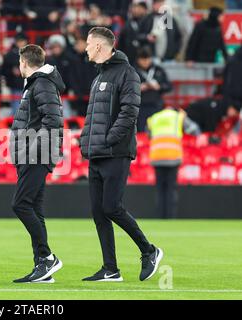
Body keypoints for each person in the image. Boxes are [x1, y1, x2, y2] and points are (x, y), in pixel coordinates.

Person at [80, 27, 163, 282]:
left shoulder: (127, 74)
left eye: (87, 43)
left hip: (116, 152)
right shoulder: (98, 77)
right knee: (98, 211)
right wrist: (87, 143)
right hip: (96, 154)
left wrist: (108, 140)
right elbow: (92, 117)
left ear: (98, 46)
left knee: (111, 207)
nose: (84, 48)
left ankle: (149, 251)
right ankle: (110, 269)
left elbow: (130, 112)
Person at [10, 44, 64, 283]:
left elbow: (53, 120)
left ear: (24, 62)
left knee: (20, 205)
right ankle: (42, 267)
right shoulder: (38, 84)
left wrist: (33, 151)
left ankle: (47, 257)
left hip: (37, 154)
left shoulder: (41, 83)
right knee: (34, 208)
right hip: (32, 153)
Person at [147, 106, 201, 219]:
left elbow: (148, 134)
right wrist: (185, 116)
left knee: (160, 189)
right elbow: (195, 131)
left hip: (157, 157)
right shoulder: (179, 117)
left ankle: (160, 217)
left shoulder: (154, 118)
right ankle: (170, 217)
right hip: (172, 156)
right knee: (170, 189)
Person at [135, 47, 172, 132]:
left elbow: (169, 86)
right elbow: (124, 89)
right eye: (142, 59)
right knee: (141, 132)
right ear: (138, 59)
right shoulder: (132, 71)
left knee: (157, 130)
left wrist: (159, 87)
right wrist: (137, 88)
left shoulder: (158, 70)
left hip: (156, 105)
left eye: (147, 59)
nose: (145, 62)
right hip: (140, 107)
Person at [1, 32, 28, 115]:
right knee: (17, 109)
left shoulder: (32, 54)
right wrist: (12, 71)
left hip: (29, 85)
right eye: (19, 41)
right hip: (16, 85)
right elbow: (4, 70)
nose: (20, 43)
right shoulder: (9, 55)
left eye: (22, 41)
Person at [117, 2, 149, 66]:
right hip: (130, 59)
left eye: (139, 8)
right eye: (134, 7)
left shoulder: (148, 22)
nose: (136, 10)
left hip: (145, 58)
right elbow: (121, 43)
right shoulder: (128, 25)